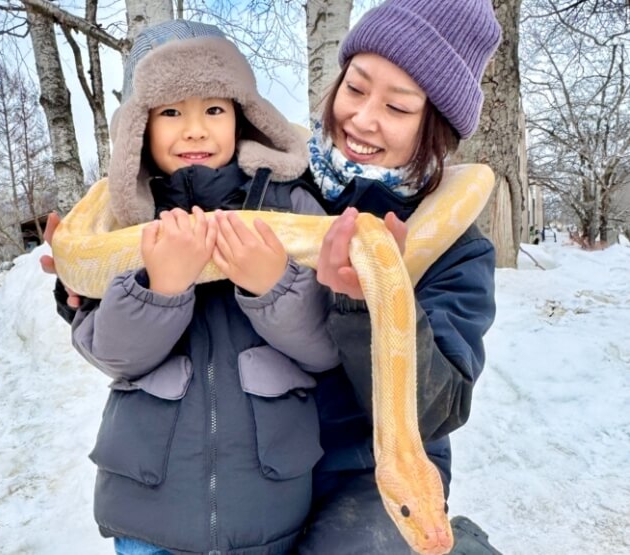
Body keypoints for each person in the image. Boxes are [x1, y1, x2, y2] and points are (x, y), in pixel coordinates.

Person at [48, 20, 341, 555]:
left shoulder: (291, 206)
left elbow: (328, 348)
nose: (195, 130)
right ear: (139, 127)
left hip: (269, 513)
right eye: (170, 112)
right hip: (146, 514)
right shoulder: (115, 226)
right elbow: (112, 356)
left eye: (214, 109)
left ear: (242, 116)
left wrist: (274, 287)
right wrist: (161, 289)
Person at [295, 0, 502, 553]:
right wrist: (93, 295)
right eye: (356, 89)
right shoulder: (277, 189)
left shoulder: (457, 246)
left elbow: (441, 406)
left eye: (398, 107)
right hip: (266, 459)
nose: (363, 119)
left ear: (435, 127)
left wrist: (372, 304)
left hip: (367, 476)